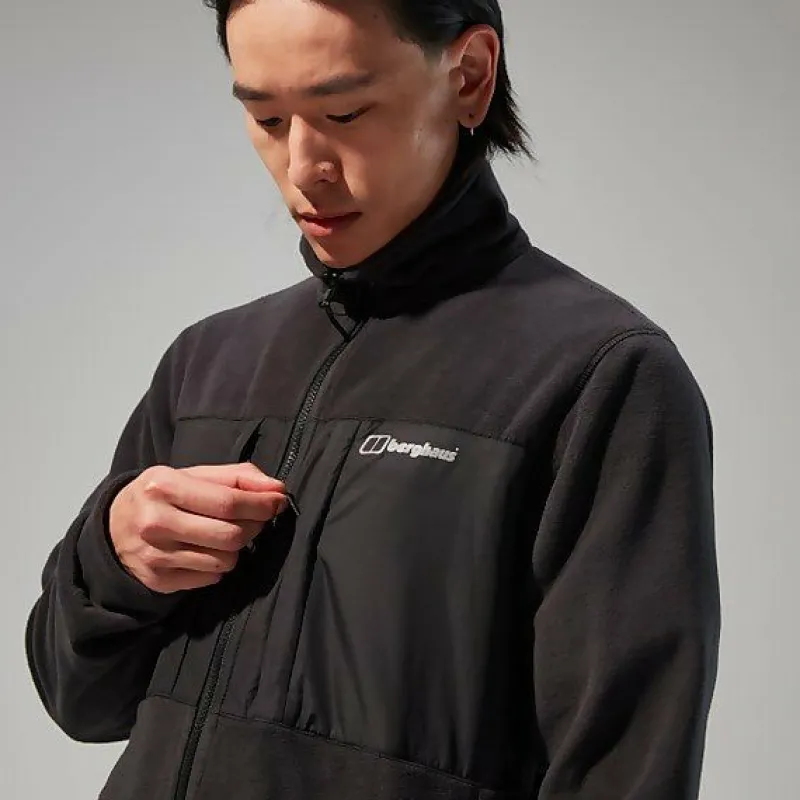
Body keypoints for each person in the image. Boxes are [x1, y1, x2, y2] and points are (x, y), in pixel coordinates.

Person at [24, 1, 721, 798]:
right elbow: (81, 701)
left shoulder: (600, 376)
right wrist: (112, 559)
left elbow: (626, 769)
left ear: (470, 76)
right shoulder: (209, 361)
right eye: (267, 118)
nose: (304, 167)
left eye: (345, 113)